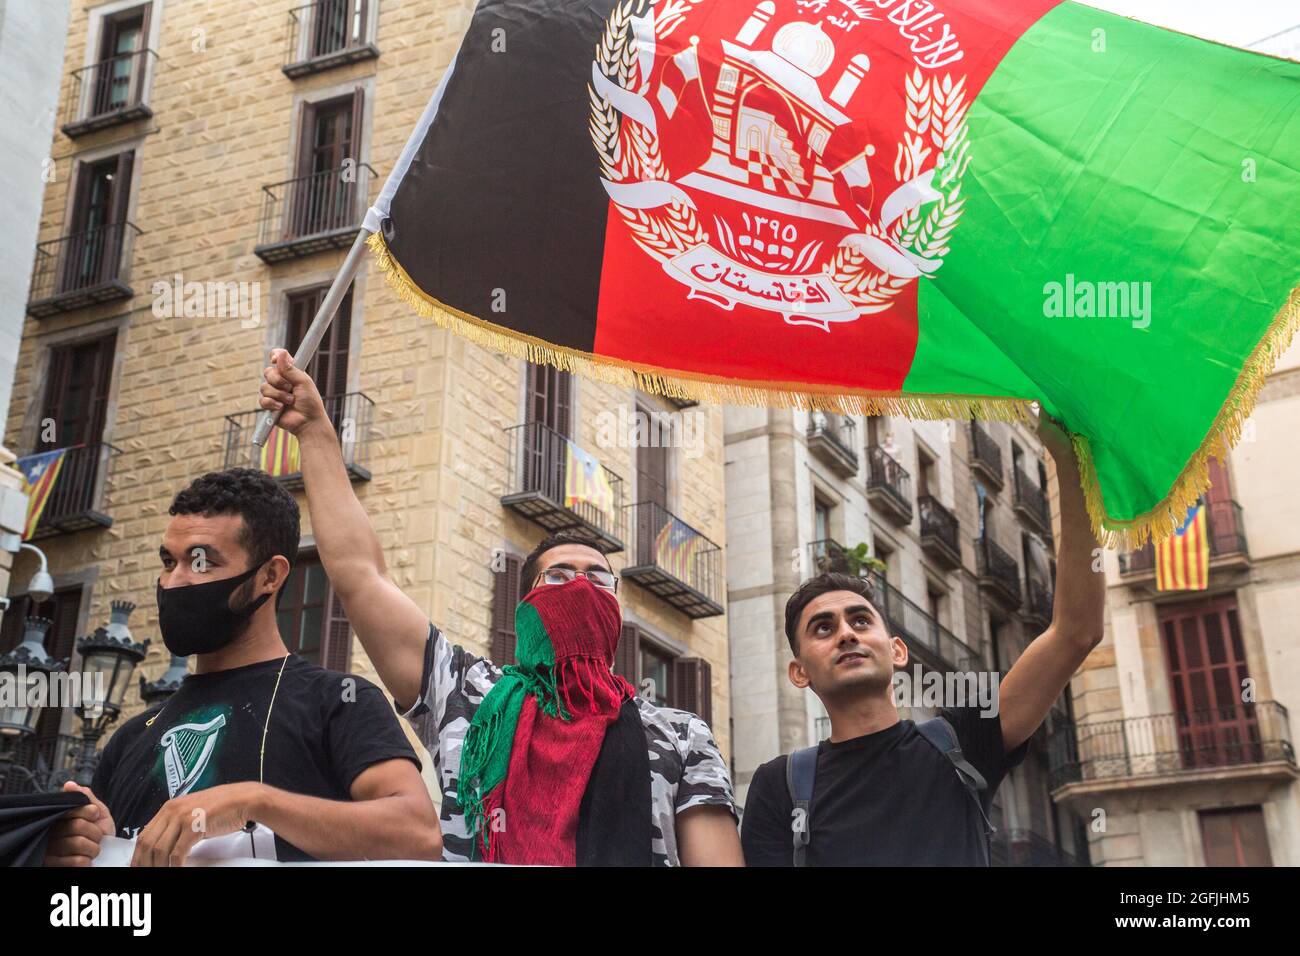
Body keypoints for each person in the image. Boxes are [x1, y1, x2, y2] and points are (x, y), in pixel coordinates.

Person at [259, 349, 742, 866]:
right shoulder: (465, 694)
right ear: (526, 609)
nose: (580, 585)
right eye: (557, 576)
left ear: (616, 616)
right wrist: (314, 432)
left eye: (599, 580)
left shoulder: (681, 733)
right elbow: (360, 576)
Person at [740, 417, 1105, 865]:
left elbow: (1076, 632)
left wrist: (1071, 462)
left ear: (896, 650)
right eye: (823, 627)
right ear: (799, 672)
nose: (847, 633)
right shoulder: (780, 786)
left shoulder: (963, 742)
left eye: (860, 620)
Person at [43, 468, 442, 866]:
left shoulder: (338, 703)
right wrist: (92, 843)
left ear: (270, 576)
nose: (176, 581)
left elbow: (418, 834)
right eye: (169, 561)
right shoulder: (130, 738)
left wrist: (254, 801)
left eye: (201, 562)